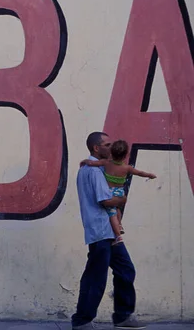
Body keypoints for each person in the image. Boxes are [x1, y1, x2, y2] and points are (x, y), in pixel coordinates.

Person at [71, 132, 146, 330]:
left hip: (108, 231)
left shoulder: (94, 168)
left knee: (125, 269)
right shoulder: (94, 171)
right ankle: (82, 321)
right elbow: (105, 200)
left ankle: (122, 316)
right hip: (100, 230)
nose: (111, 148)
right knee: (95, 276)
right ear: (96, 148)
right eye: (107, 144)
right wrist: (122, 200)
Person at [80, 139, 156, 245]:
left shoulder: (106, 163)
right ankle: (119, 225)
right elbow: (140, 173)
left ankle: (118, 236)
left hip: (111, 192)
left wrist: (86, 161)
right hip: (120, 191)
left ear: (112, 152)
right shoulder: (126, 168)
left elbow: (93, 163)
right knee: (117, 210)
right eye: (107, 144)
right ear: (126, 155)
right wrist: (149, 175)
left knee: (112, 214)